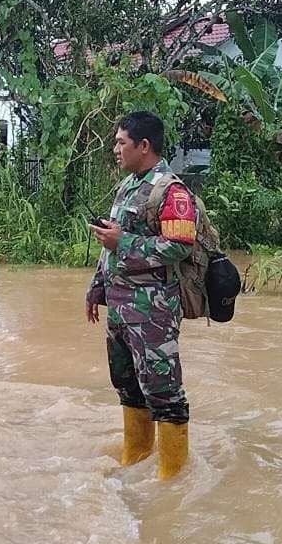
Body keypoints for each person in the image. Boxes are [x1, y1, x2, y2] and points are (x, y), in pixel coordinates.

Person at [85, 111, 199, 480]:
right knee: (128, 389)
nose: (115, 149)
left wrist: (125, 242)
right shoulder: (127, 187)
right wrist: (97, 286)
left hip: (153, 312)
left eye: (121, 142)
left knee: (165, 395)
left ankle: (171, 481)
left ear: (144, 146)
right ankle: (134, 464)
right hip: (120, 310)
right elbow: (112, 244)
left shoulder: (171, 191)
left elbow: (180, 245)